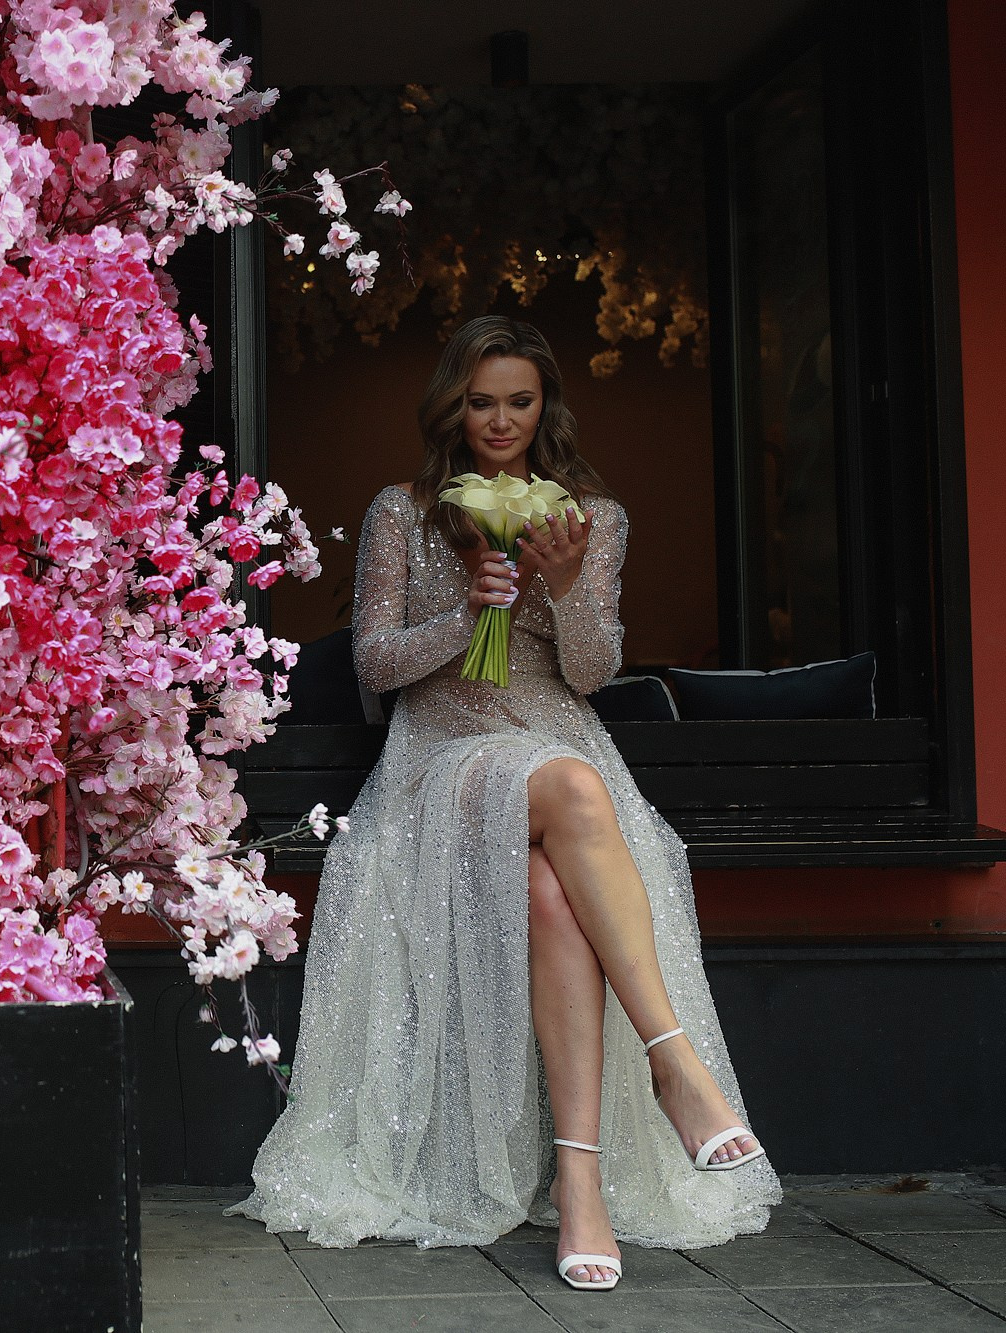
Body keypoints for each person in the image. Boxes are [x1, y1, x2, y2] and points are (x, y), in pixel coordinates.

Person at [229, 316, 780, 1289]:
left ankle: (579, 1191)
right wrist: (467, 615)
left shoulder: (588, 517)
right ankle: (672, 1062)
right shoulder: (400, 510)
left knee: (550, 890)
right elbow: (374, 667)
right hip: (438, 757)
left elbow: (592, 669)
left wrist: (565, 590)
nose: (498, 420)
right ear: (452, 403)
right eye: (479, 400)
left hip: (553, 743)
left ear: (544, 406)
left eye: (517, 401)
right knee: (567, 786)